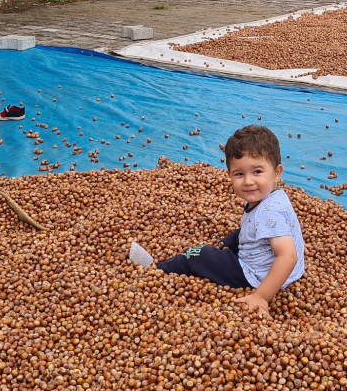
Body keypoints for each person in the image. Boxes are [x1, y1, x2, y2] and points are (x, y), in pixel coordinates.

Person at [127, 125, 305, 316]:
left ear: (277, 172)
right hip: (288, 269)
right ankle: (223, 248)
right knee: (237, 236)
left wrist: (261, 296)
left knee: (199, 254)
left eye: (257, 172)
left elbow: (288, 256)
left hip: (257, 276)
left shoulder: (269, 212)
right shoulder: (275, 196)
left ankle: (155, 268)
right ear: (229, 175)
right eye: (239, 174)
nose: (248, 181)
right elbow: (288, 238)